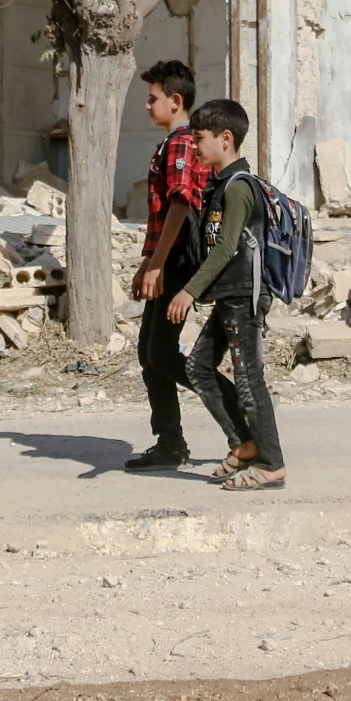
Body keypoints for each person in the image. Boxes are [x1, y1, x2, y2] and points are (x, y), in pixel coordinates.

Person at [169, 98, 286, 491]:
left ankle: (272, 463)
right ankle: (245, 443)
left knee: (249, 379)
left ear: (225, 138)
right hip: (227, 297)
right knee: (197, 367)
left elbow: (226, 248)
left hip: (244, 297)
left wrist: (189, 291)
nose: (195, 147)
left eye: (200, 139)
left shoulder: (239, 188)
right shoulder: (219, 185)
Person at [125, 60, 205, 471]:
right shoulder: (172, 142)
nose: (147, 106)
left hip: (175, 262)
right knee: (149, 353)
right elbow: (159, 216)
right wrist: (145, 264)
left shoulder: (181, 143)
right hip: (162, 258)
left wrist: (157, 265)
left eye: (152, 99)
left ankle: (237, 411)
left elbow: (179, 204)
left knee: (160, 354)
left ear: (175, 101)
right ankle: (170, 442)